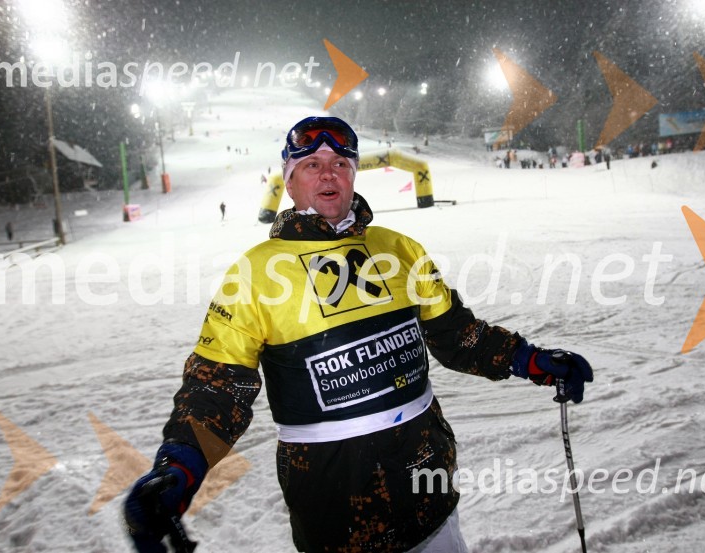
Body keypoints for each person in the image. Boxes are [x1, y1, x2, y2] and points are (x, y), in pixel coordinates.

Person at [123, 116, 594, 552]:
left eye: (339, 165)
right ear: (289, 183)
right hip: (335, 511)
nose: (327, 175)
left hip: (427, 488)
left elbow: (458, 334)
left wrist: (528, 359)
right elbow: (217, 388)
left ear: (352, 176)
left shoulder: (398, 249)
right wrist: (179, 466)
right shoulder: (254, 273)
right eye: (311, 165)